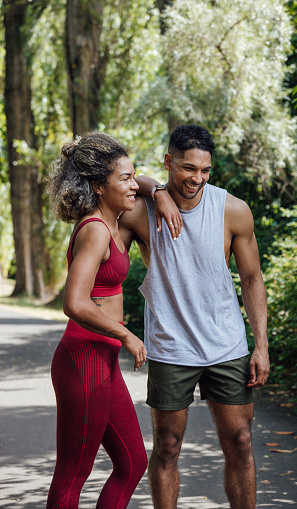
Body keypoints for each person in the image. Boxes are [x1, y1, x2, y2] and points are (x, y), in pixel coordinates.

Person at [118, 124, 270, 509]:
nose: (196, 179)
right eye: (187, 168)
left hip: (227, 344)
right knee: (167, 447)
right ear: (169, 162)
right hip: (171, 347)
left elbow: (252, 279)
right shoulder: (140, 211)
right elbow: (113, 181)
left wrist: (261, 346)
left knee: (240, 441)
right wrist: (156, 192)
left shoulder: (232, 210)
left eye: (204, 170)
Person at [46, 132, 148, 509]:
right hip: (83, 358)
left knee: (134, 462)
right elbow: (74, 302)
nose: (134, 184)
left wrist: (158, 191)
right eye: (124, 178)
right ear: (97, 186)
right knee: (73, 473)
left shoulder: (114, 224)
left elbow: (149, 184)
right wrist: (126, 334)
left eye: (132, 175)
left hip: (102, 361)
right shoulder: (94, 230)